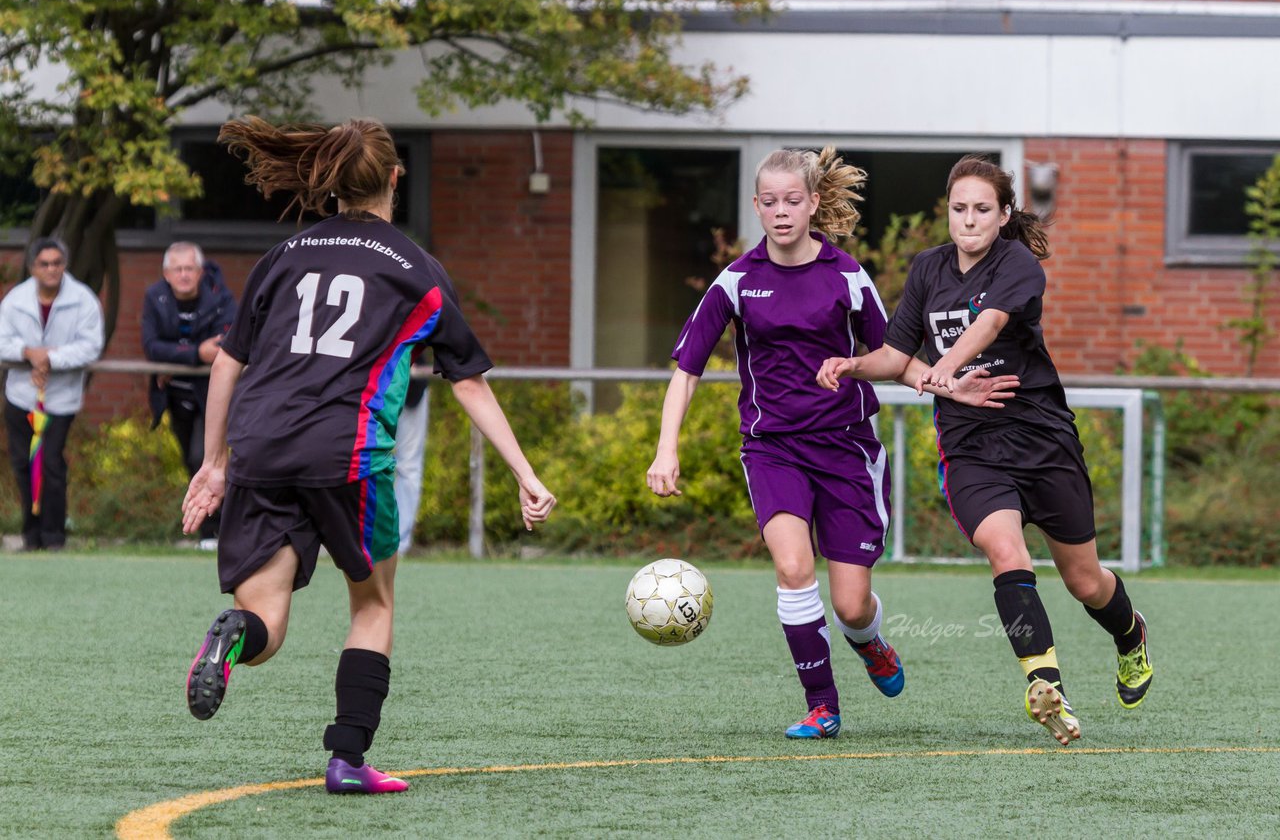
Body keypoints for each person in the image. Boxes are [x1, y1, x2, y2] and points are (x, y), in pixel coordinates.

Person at [180, 116, 556, 793]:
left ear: (330, 181)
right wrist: (525, 474)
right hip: (346, 456)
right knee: (372, 605)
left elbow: (228, 363)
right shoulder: (418, 270)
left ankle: (231, 636)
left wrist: (214, 462)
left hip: (261, 445)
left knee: (265, 620)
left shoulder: (284, 255)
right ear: (393, 176)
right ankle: (347, 759)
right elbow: (466, 381)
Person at [647, 147, 1015, 740]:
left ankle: (871, 643)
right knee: (793, 568)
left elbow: (894, 359)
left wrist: (947, 385)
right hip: (772, 448)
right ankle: (823, 706)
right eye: (769, 202)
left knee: (850, 606)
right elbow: (686, 370)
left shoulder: (845, 275)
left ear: (814, 203)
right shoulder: (737, 281)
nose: (781, 211)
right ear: (757, 207)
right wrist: (667, 450)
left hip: (847, 451)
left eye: (793, 200)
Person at [816, 155, 1154, 746]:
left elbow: (989, 325)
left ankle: (1130, 635)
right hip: (971, 446)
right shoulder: (928, 269)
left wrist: (943, 372)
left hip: (1042, 438)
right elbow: (897, 356)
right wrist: (853, 366)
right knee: (1006, 549)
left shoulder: (1017, 264)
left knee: (1084, 581)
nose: (968, 220)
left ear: (1002, 216)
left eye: (981, 210)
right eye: (958, 209)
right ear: (947, 212)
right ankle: (1046, 685)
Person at [0, 237, 104, 551]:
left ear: (65, 265)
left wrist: (50, 358)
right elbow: (2, 341)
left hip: (60, 400)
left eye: (57, 263)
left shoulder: (83, 300)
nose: (51, 269)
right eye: (44, 264)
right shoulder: (15, 300)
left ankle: (54, 536)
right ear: (33, 267)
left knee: (51, 464)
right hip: (21, 395)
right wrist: (27, 352)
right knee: (22, 464)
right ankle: (31, 536)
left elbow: (91, 347)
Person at [142, 241, 237, 547]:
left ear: (200, 271)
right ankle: (208, 528)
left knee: (204, 458)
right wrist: (195, 352)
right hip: (173, 395)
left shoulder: (221, 298)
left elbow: (225, 344)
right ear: (167, 273)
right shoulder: (154, 297)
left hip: (212, 396)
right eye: (177, 269)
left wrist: (176, 358)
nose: (184, 275)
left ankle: (214, 531)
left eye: (189, 269)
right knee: (191, 461)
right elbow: (151, 346)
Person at [392, 349, 429, 554]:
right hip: (367, 384)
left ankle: (400, 544)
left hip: (411, 386)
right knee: (358, 458)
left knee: (408, 466)